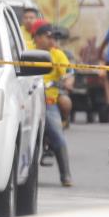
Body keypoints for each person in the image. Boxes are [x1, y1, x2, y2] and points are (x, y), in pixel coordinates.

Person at [33, 22, 74, 187]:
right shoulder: (26, 50)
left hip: (48, 101)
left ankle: (66, 175)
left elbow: (69, 74)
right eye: (47, 37)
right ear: (37, 38)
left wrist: (67, 82)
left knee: (57, 135)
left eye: (53, 37)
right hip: (27, 99)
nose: (51, 40)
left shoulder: (57, 54)